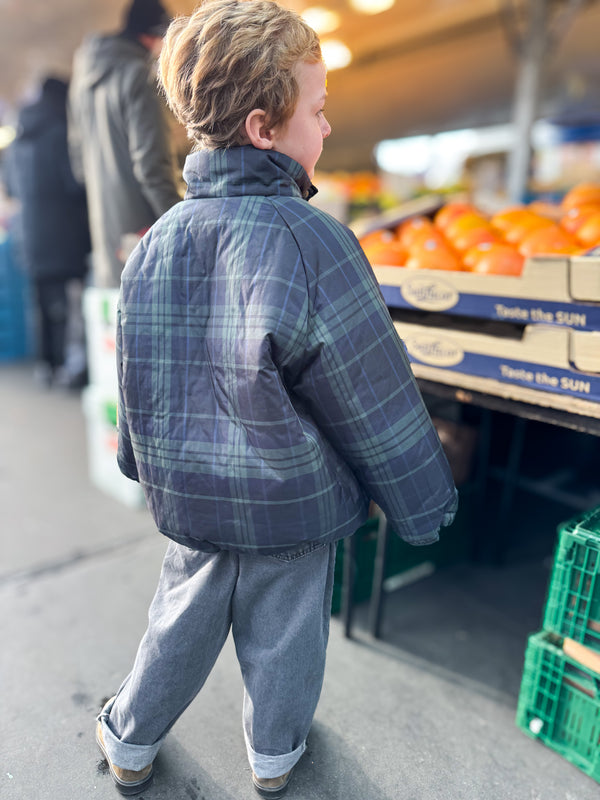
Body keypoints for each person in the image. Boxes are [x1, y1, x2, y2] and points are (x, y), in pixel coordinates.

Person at [95, 1, 458, 796]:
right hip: (292, 502)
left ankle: (129, 739)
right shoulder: (315, 240)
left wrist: (139, 465)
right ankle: (275, 759)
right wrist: (424, 504)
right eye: (319, 111)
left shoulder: (157, 242)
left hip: (190, 496)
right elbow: (373, 395)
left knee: (177, 622)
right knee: (287, 638)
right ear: (265, 128)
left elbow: (141, 379)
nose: (326, 130)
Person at [68, 0, 181, 289]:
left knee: (119, 331)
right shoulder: (140, 78)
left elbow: (79, 166)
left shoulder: (84, 80)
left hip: (108, 239)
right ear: (152, 36)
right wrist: (184, 226)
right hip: (147, 238)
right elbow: (152, 168)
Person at [4, 77, 91, 388]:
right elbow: (72, 183)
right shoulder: (58, 132)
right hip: (64, 233)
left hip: (29, 234)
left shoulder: (18, 139)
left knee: (41, 302)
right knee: (72, 302)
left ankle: (47, 365)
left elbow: (11, 188)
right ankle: (75, 366)